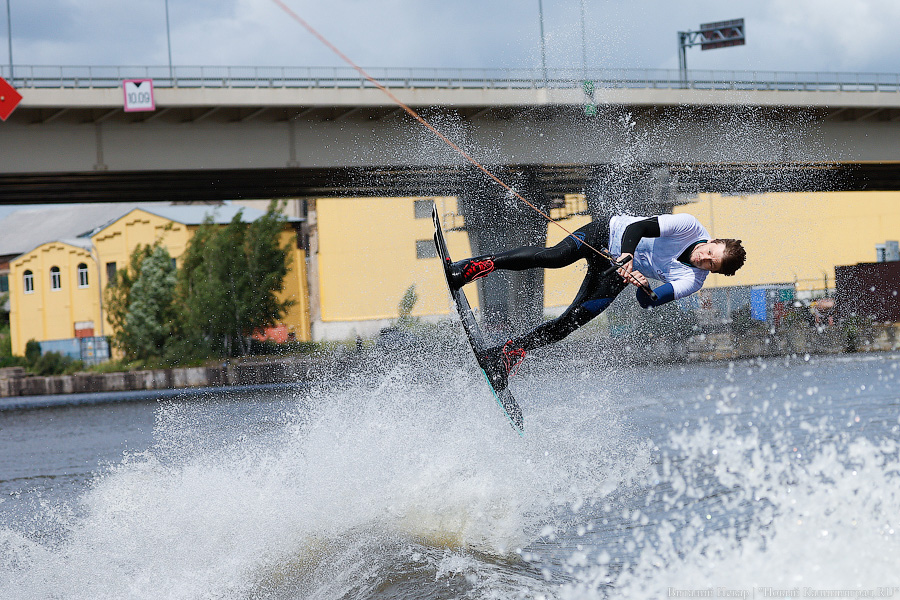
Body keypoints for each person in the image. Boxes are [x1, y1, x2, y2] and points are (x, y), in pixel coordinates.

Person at [447, 213, 746, 389]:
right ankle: (473, 268)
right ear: (712, 241)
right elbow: (636, 229)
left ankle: (504, 356)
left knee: (568, 324)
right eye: (710, 253)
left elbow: (648, 301)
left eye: (711, 265)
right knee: (555, 257)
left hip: (618, 273)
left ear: (713, 272)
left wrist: (643, 286)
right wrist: (627, 255)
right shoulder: (689, 225)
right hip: (608, 233)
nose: (703, 259)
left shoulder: (693, 280)